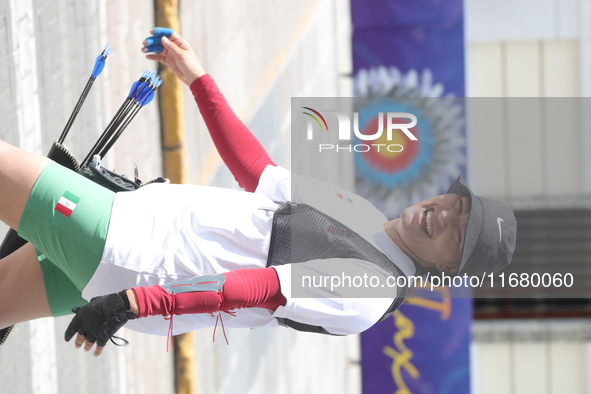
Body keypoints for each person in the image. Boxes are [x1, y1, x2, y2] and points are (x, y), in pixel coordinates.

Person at [0, 29, 517, 357]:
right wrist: (199, 79)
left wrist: (133, 301)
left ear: (449, 269)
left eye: (457, 233)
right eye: (456, 205)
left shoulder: (371, 288)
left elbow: (253, 288)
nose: (443, 215)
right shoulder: (362, 214)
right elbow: (258, 171)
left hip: (133, 251)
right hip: (132, 229)